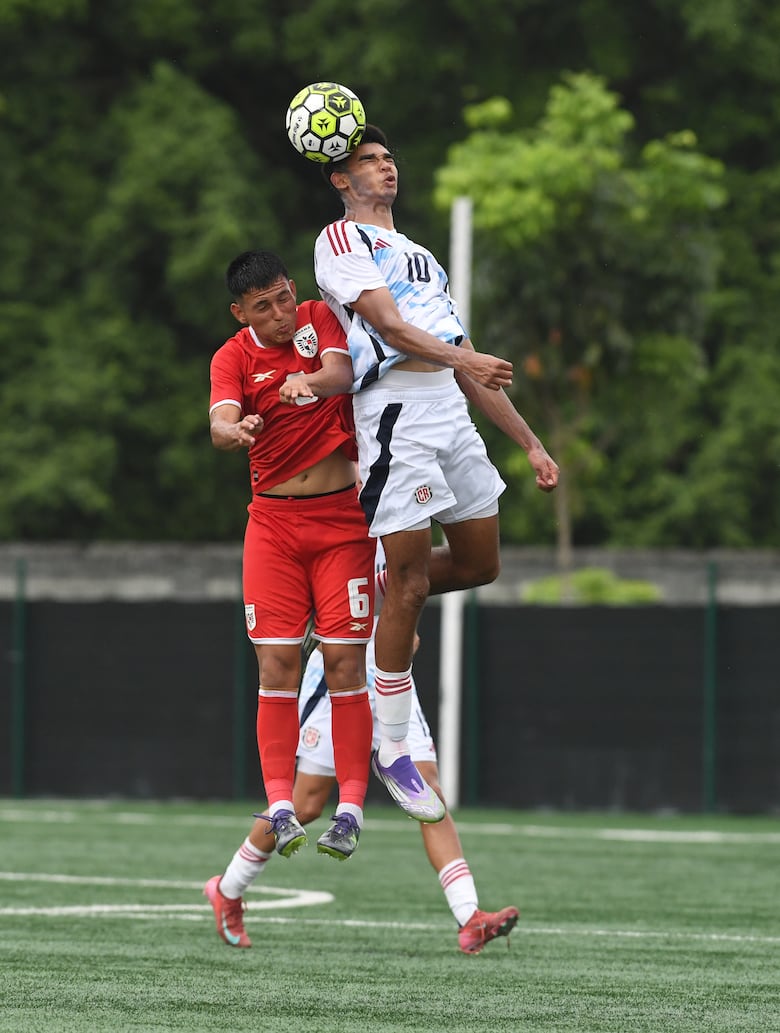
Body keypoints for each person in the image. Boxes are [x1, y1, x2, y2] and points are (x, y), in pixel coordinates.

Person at [302, 124, 559, 823]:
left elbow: (465, 352)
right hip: (394, 414)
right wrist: (467, 361)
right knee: (415, 582)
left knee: (480, 565)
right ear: (340, 180)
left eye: (388, 158)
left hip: (448, 406)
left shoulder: (419, 254)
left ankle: (380, 584)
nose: (385, 168)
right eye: (368, 161)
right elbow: (388, 328)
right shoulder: (340, 242)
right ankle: (390, 747)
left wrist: (531, 442)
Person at [204, 548, 520, 955]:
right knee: (306, 804)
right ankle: (228, 890)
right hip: (338, 668)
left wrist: (405, 627)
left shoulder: (397, 500)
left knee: (428, 794)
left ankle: (469, 917)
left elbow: (411, 577)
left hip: (388, 673)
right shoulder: (333, 501)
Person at [208, 248, 376, 860]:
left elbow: (341, 372)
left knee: (343, 665)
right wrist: (236, 430)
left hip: (341, 523)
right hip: (274, 527)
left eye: (283, 297)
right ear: (240, 313)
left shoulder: (316, 318)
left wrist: (308, 380)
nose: (280, 313)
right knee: (276, 666)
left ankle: (351, 809)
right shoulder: (232, 356)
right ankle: (280, 806)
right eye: (263, 307)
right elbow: (221, 422)